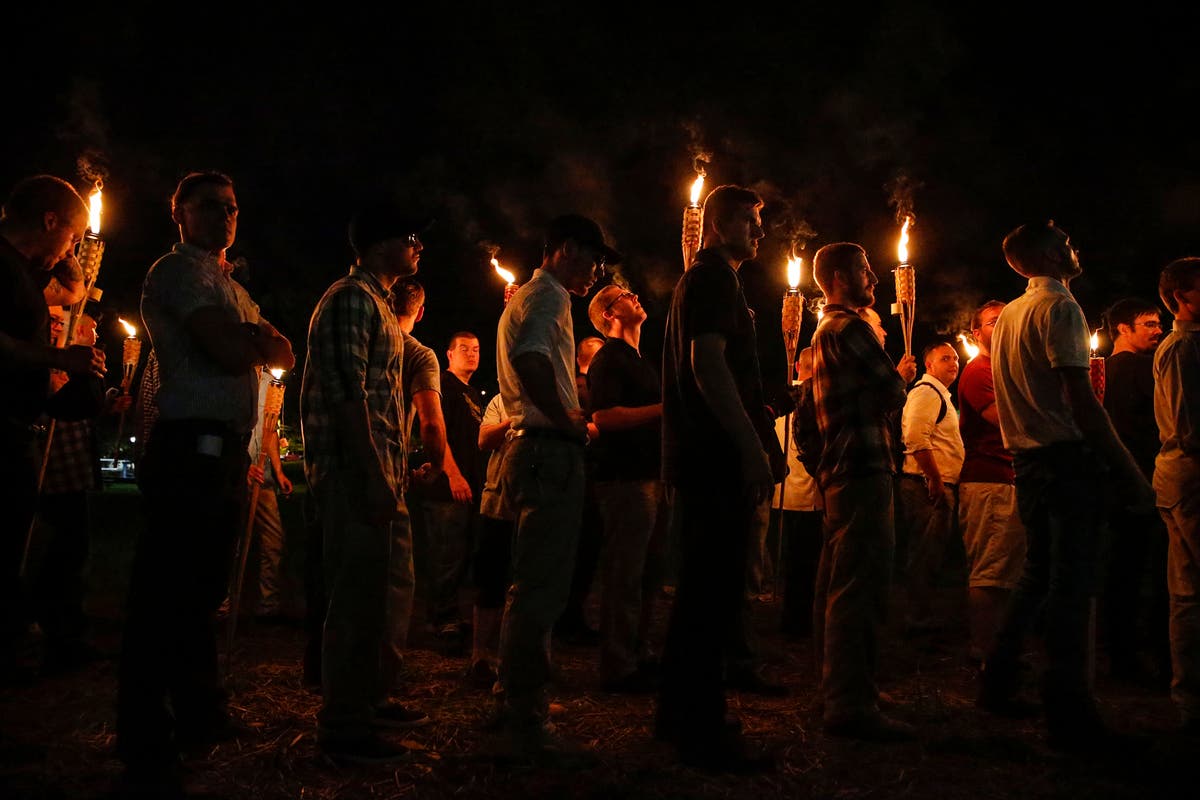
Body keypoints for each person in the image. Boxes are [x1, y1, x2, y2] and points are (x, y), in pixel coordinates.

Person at [116, 171, 295, 793]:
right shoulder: (177, 271)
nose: (225, 216)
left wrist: (250, 337)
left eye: (233, 208)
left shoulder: (230, 286)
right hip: (186, 445)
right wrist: (251, 340)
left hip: (222, 452)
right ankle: (143, 733)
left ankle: (198, 713)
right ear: (181, 214)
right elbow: (225, 348)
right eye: (211, 207)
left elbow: (284, 352)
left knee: (201, 592)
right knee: (164, 594)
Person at [977, 220, 1153, 753]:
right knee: (1072, 586)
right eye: (1066, 244)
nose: (1074, 249)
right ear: (1051, 256)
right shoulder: (1060, 309)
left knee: (1037, 575)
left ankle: (997, 681)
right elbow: (1079, 397)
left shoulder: (1009, 315)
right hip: (1064, 459)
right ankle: (1069, 711)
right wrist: (1126, 468)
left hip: (1028, 460)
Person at [656, 184, 784, 772]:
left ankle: (678, 714)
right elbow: (707, 364)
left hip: (704, 456)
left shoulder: (708, 281)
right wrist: (750, 446)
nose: (759, 232)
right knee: (713, 592)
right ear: (717, 225)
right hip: (714, 459)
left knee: (702, 591)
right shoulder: (711, 280)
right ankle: (701, 729)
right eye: (750, 221)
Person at [300, 200, 433, 764]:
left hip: (381, 473)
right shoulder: (351, 298)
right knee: (355, 600)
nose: (418, 246)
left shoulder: (378, 303)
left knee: (380, 595)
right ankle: (342, 728)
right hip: (356, 473)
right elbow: (346, 393)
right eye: (409, 236)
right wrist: (373, 475)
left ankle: (367, 702)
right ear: (379, 245)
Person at [492, 213, 617, 765]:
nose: (597, 270)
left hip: (529, 449)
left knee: (527, 580)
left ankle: (509, 696)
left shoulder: (527, 297)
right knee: (542, 586)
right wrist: (568, 423)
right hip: (547, 450)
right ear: (566, 249)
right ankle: (527, 717)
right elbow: (530, 360)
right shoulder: (550, 297)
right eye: (593, 257)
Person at [810, 241, 917, 742]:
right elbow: (890, 395)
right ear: (836, 276)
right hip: (863, 466)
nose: (873, 278)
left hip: (840, 469)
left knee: (839, 583)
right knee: (861, 585)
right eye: (863, 270)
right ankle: (851, 703)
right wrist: (902, 375)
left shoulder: (826, 330)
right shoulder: (850, 328)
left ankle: (840, 686)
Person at [0, 175, 102, 685]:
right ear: (49, 221)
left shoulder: (20, 271)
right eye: (71, 236)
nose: (73, 247)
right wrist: (58, 357)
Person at [33, 309, 131, 675]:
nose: (93, 335)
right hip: (47, 474)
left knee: (72, 558)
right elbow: (52, 407)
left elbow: (78, 410)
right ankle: (48, 636)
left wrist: (106, 405)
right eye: (87, 329)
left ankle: (68, 634)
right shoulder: (44, 359)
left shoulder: (70, 364)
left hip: (73, 473)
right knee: (51, 559)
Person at [585, 284, 668, 693]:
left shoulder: (640, 360)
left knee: (648, 574)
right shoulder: (608, 360)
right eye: (623, 295)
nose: (634, 296)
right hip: (625, 480)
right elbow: (604, 417)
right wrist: (664, 409)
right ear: (607, 314)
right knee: (625, 573)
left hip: (651, 476)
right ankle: (617, 666)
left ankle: (640, 654)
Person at [1100, 297, 1169, 687]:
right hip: (1144, 481)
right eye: (1148, 324)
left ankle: (1121, 653)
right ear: (1122, 330)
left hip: (1117, 482)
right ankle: (1149, 656)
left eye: (1158, 323)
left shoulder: (1100, 372)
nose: (1157, 329)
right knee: (1150, 572)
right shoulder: (1144, 369)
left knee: (1121, 571)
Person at [957, 300, 1026, 666]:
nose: (1003, 327)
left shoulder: (1007, 369)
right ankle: (985, 651)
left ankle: (1001, 649)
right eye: (994, 322)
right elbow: (1007, 420)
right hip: (989, 481)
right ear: (977, 332)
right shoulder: (979, 371)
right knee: (991, 571)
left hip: (1010, 479)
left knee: (1009, 571)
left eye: (1008, 321)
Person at [1152, 257, 1200, 734]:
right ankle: (1190, 698)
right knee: (1188, 590)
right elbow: (1190, 428)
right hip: (1190, 479)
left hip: (1183, 477)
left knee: (1189, 590)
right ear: (1181, 297)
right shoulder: (1184, 349)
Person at [422, 330, 488, 653]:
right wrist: (453, 474)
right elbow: (439, 433)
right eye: (464, 349)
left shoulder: (473, 394)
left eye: (476, 349)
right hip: (447, 489)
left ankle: (451, 614)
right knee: (445, 554)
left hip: (470, 488)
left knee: (461, 555)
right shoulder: (444, 387)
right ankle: (440, 619)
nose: (472, 354)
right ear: (449, 354)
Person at [896, 340, 964, 634]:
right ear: (929, 365)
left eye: (956, 358)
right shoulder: (926, 392)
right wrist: (934, 478)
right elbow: (915, 437)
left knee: (932, 554)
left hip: (933, 484)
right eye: (946, 358)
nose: (954, 363)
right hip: (925, 487)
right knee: (924, 555)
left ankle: (921, 616)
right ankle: (916, 621)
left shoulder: (941, 396)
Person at [554, 335, 605, 645]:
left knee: (588, 552)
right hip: (572, 478)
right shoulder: (574, 385)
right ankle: (563, 616)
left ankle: (575, 613)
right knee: (570, 552)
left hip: (595, 479)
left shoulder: (602, 387)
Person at [466, 391, 514, 687]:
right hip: (499, 501)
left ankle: (513, 656)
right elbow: (484, 440)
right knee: (491, 580)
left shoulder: (557, 395)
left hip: (537, 503)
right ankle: (480, 656)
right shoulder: (501, 401)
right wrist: (515, 420)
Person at [776, 347, 824, 639]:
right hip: (800, 493)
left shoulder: (797, 396)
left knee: (804, 561)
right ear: (798, 366)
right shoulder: (797, 397)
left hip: (799, 493)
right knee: (801, 563)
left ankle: (799, 618)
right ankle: (796, 623)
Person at [244, 370, 295, 622]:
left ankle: (268, 604)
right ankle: (223, 604)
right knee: (232, 540)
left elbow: (270, 430)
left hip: (263, 478)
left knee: (273, 539)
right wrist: (242, 468)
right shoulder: (234, 376)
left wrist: (278, 471)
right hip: (237, 476)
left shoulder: (269, 383)